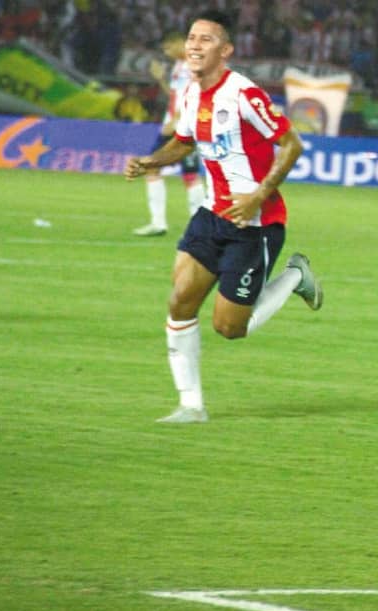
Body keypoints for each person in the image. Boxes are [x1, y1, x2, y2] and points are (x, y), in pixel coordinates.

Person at [123, 9, 323, 423]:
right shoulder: (192, 93)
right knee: (180, 300)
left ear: (226, 50)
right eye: (192, 37)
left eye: (206, 39)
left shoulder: (245, 95)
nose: (195, 44)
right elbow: (183, 142)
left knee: (231, 328)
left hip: (254, 225)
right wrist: (151, 162)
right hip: (212, 215)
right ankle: (191, 405)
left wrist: (259, 194)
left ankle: (295, 277)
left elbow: (292, 145)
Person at [132, 30, 206, 237]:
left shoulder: (194, 65)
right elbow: (175, 95)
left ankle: (190, 226)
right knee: (165, 170)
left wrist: (175, 121)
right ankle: (161, 223)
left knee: (184, 173)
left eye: (167, 47)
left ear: (180, 43)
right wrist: (160, 79)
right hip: (176, 125)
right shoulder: (179, 66)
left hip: (183, 126)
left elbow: (195, 96)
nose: (166, 52)